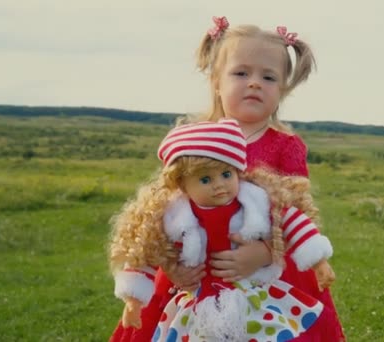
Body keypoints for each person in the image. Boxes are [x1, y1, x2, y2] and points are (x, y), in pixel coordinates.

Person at [109, 15, 345, 341]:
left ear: (282, 90)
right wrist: (174, 267)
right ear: (216, 82)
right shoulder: (190, 141)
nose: (254, 83)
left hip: (269, 272)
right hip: (197, 271)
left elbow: (295, 215)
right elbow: (170, 212)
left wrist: (263, 253)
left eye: (268, 76)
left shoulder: (285, 146)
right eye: (241, 73)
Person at [110, 120, 336, 341]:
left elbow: (293, 222)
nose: (219, 185)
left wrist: (319, 261)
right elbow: (146, 251)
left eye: (226, 174)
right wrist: (134, 299)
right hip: (200, 303)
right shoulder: (173, 217)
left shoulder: (256, 202)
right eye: (205, 179)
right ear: (182, 185)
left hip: (253, 296)